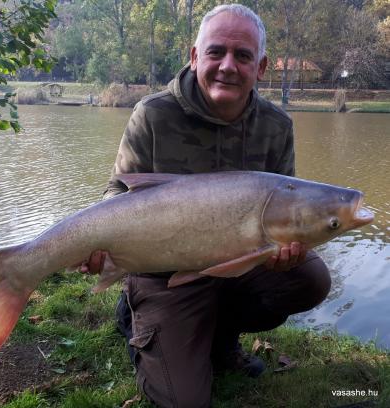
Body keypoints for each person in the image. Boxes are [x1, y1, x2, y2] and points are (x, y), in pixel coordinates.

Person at [82, 4, 331, 407]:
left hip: (236, 265)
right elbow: (115, 194)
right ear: (195, 56)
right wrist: (100, 248)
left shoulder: (276, 126)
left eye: (243, 55)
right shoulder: (153, 114)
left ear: (261, 67)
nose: (228, 66)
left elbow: (289, 205)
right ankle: (139, 320)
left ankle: (220, 338)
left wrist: (285, 249)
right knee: (185, 401)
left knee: (310, 278)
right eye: (216, 52)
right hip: (161, 272)